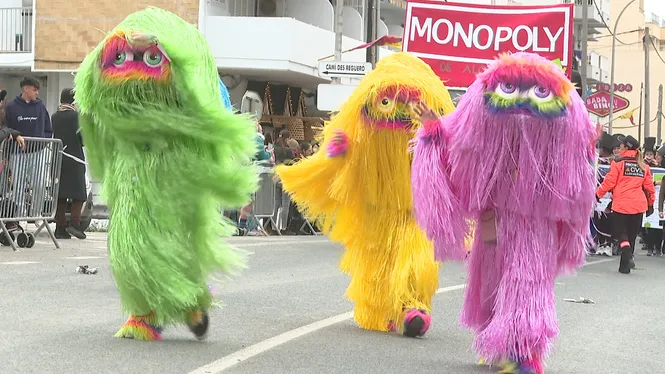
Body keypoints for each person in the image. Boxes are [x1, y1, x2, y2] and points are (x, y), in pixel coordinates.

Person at [74, 7, 258, 340]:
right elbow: (94, 109)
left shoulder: (194, 96)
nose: (132, 70)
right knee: (127, 247)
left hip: (175, 177)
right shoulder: (116, 108)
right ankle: (146, 312)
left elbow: (215, 112)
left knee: (173, 241)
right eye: (122, 59)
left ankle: (189, 299)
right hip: (130, 179)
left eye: (150, 59)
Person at [412, 53, 597, 372]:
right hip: (494, 221)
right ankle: (497, 342)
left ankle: (524, 350)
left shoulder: (551, 149)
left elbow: (576, 168)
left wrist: (586, 147)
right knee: (493, 282)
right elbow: (456, 143)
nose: (523, 101)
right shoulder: (486, 138)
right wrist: (433, 130)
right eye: (511, 88)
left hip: (535, 225)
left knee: (528, 281)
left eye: (538, 92)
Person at [276, 52, 457, 338]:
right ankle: (382, 308)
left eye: (407, 103)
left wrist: (434, 127)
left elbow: (452, 156)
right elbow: (344, 150)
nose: (397, 110)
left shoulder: (429, 126)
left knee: (414, 256)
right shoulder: (364, 128)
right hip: (376, 207)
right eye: (387, 102)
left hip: (415, 207)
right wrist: (335, 151)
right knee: (377, 259)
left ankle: (413, 305)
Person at [597, 135, 656, 273]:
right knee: (631, 236)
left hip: (621, 204)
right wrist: (650, 204)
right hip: (638, 205)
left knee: (620, 233)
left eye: (622, 145)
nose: (620, 147)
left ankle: (627, 256)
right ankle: (625, 267)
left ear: (627, 147)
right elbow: (649, 188)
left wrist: (597, 194)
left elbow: (609, 183)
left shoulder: (618, 163)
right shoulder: (644, 166)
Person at [3, 76, 52, 220]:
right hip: (17, 154)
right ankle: (20, 216)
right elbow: (6, 128)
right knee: (18, 185)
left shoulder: (40, 107)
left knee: (40, 183)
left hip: (38, 154)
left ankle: (36, 214)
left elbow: (48, 129)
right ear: (26, 89)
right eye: (35, 90)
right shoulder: (11, 106)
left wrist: (42, 144)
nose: (37, 93)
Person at [52, 88, 87, 240]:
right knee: (79, 194)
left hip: (58, 158)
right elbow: (83, 139)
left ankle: (60, 228)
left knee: (61, 194)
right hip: (74, 158)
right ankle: (75, 224)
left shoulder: (54, 116)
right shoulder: (77, 117)